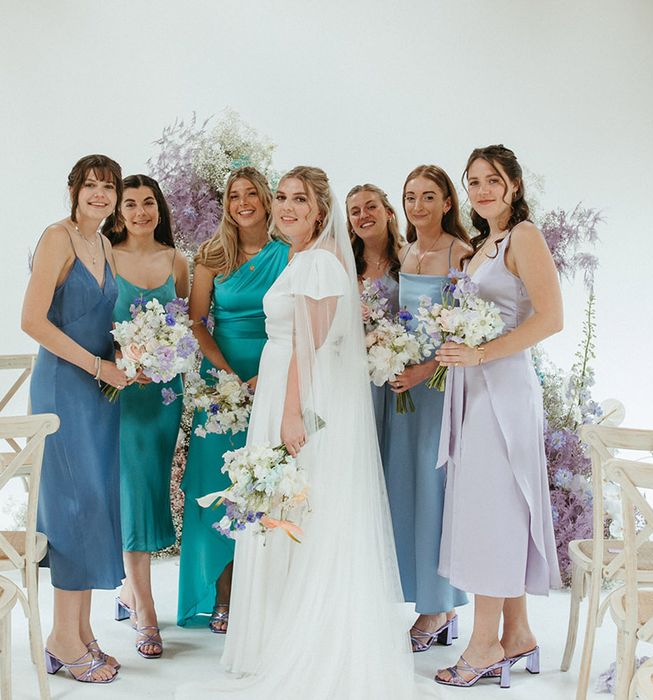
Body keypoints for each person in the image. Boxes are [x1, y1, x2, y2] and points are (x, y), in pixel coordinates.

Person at [178, 167, 434, 699]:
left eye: (300, 199)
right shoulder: (300, 258)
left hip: (298, 398)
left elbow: (310, 349)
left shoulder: (317, 262)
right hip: (280, 390)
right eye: (283, 197)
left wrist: (291, 415)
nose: (287, 207)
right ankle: (276, 634)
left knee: (298, 513)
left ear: (321, 210)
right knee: (285, 511)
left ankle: (304, 639)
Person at [434, 145, 562, 687]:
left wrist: (482, 353)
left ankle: (483, 644)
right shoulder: (485, 246)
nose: (482, 190)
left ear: (513, 184)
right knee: (495, 508)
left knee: (492, 514)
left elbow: (552, 319)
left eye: (492, 180)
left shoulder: (525, 237)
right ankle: (517, 634)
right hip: (476, 388)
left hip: (504, 390)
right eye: (473, 182)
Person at [22, 154, 127, 684]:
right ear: (73, 190)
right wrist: (96, 366)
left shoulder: (105, 245)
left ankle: (81, 632)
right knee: (71, 506)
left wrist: (133, 357)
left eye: (108, 187)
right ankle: (61, 639)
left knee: (93, 503)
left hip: (100, 393)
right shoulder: (56, 238)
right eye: (91, 186)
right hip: (64, 390)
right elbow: (31, 320)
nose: (100, 195)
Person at [177, 167, 289, 632]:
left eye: (251, 194)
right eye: (233, 196)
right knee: (217, 487)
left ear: (266, 200)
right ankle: (222, 595)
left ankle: (266, 598)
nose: (242, 203)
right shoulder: (211, 256)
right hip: (220, 382)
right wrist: (225, 376)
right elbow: (198, 321)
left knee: (271, 483)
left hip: (276, 375)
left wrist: (271, 375)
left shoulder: (290, 254)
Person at [103, 174, 190, 659]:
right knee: (133, 493)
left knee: (152, 489)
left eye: (148, 203)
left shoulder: (177, 260)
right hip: (121, 394)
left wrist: (164, 355)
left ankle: (125, 592)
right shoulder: (105, 257)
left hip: (163, 397)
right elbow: (94, 325)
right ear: (119, 213)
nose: (140, 212)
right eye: (131, 204)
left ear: (160, 208)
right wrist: (119, 360)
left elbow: (186, 324)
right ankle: (146, 613)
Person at [387, 165, 472, 652]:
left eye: (428, 197)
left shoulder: (460, 252)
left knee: (434, 486)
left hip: (439, 384)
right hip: (404, 387)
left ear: (446, 203)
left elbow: (465, 328)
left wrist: (422, 371)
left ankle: (438, 608)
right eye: (410, 196)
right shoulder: (406, 251)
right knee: (410, 488)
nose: (418, 206)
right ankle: (430, 601)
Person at [345, 183, 401, 438]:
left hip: (401, 374)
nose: (363, 215)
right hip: (357, 377)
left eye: (371, 207)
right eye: (355, 211)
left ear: (388, 212)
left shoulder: (409, 256)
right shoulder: (344, 267)